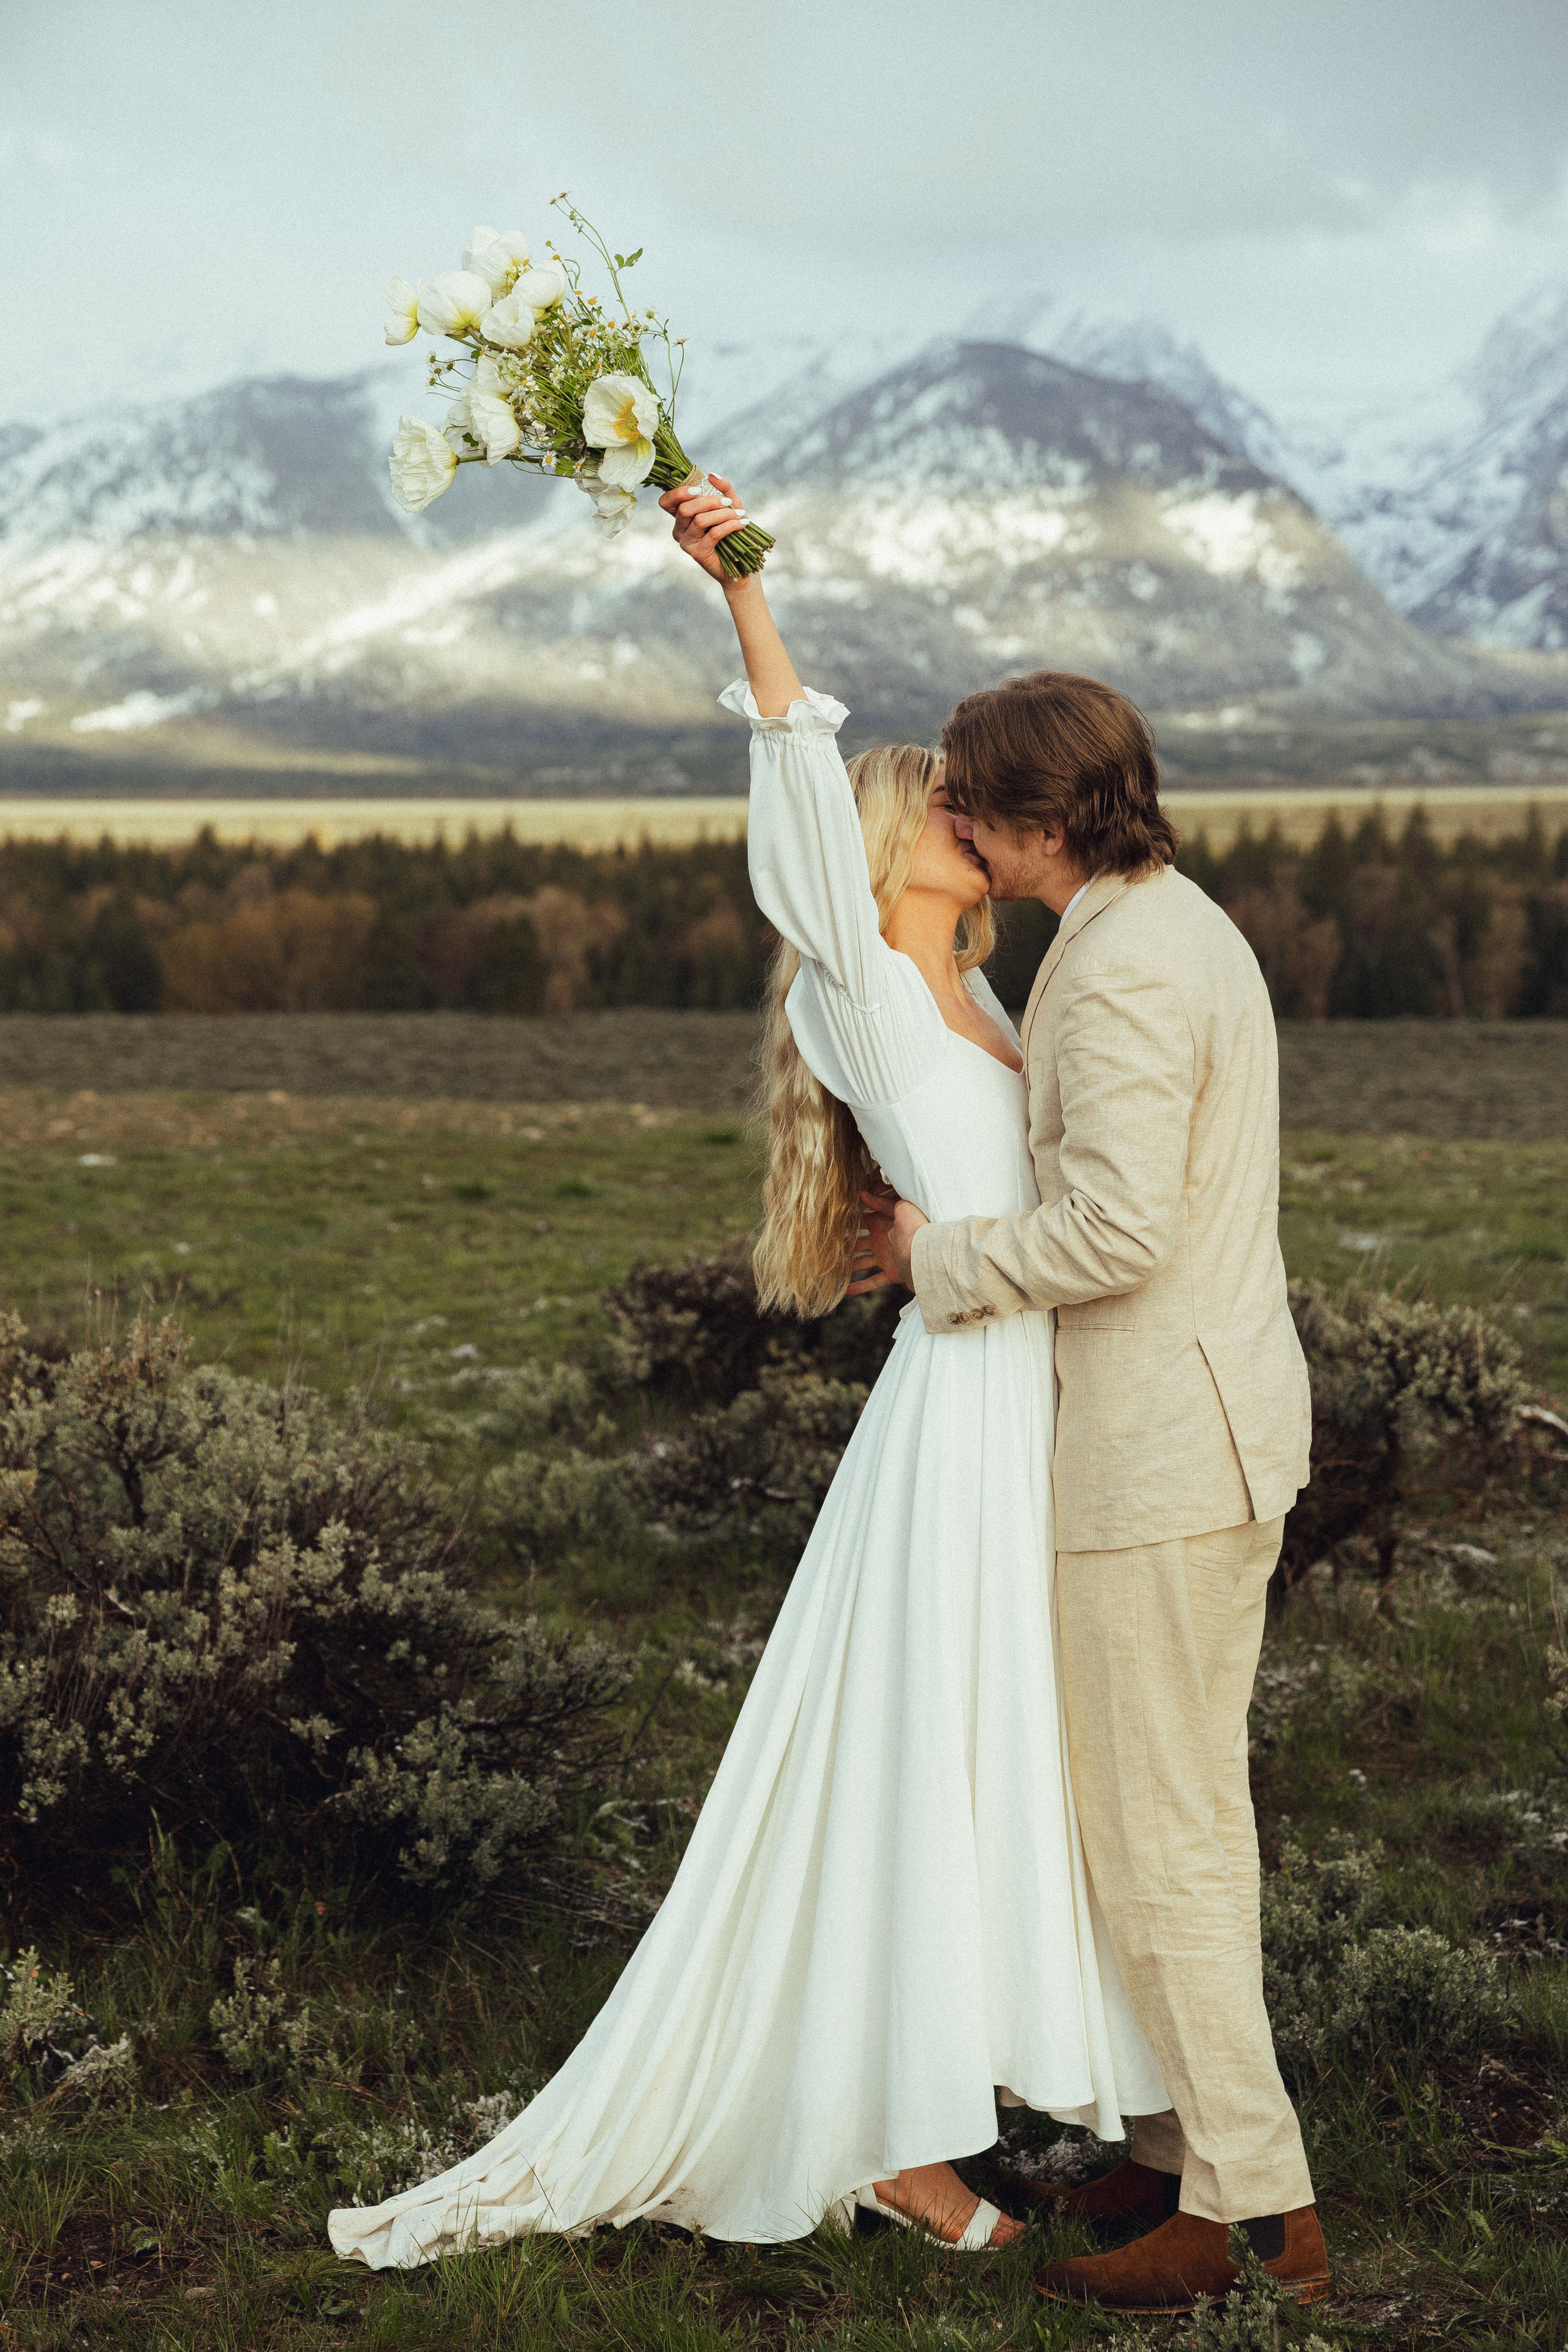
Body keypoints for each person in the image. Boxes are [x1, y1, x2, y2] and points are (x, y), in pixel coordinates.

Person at [326, 475, 1167, 2272]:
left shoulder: (993, 1000)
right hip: (960, 1422)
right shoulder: (857, 987)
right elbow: (795, 795)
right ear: (867, 864)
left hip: (1027, 1405)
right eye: (924, 805)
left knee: (1003, 1753)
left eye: (960, 803)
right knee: (917, 1760)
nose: (955, 811)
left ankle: (971, 2099)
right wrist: (747, 600)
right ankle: (901, 2151)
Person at [854, 668, 1331, 2312]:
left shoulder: (1123, 971)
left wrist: (944, 1258)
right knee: (1145, 1817)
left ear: (1045, 821)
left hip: (1161, 1452)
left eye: (974, 799)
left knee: (1170, 1836)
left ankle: (1258, 2216)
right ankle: (1169, 2150)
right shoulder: (1152, 922)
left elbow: (1119, 1230)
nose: (957, 822)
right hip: (1189, 1431)